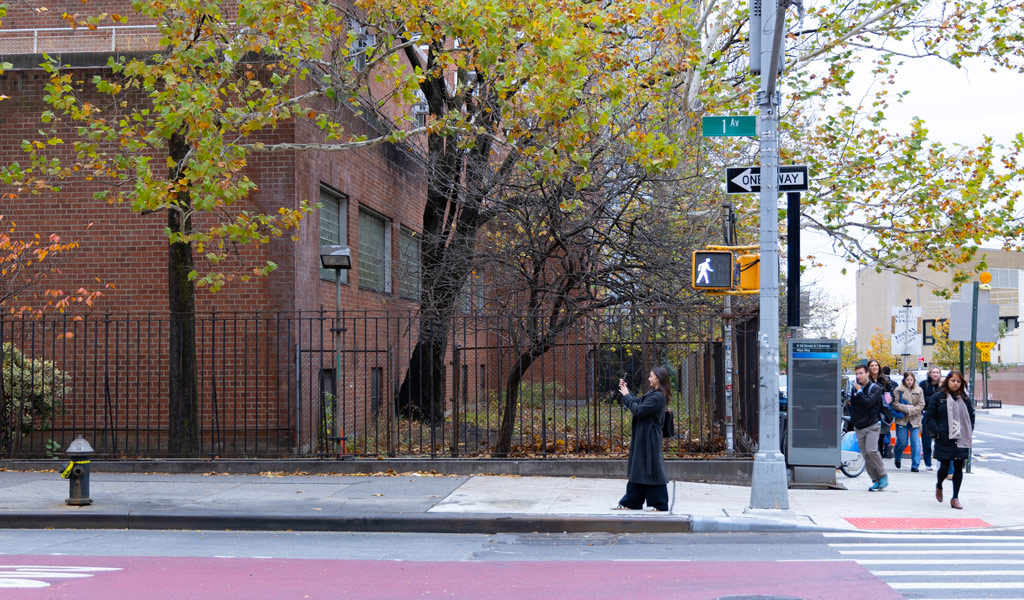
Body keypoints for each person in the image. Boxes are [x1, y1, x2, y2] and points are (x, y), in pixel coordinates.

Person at [613, 367, 670, 511]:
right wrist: (627, 391)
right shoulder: (653, 393)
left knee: (652, 468)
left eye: (651, 376)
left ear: (658, 378)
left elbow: (638, 410)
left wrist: (626, 396)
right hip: (644, 435)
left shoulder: (658, 397)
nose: (649, 379)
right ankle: (631, 502)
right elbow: (638, 403)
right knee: (640, 467)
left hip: (649, 438)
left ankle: (660, 503)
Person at [924, 370, 975, 509]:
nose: (955, 383)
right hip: (944, 437)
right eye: (953, 380)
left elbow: (971, 417)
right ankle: (939, 485)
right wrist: (938, 432)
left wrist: (969, 431)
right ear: (947, 381)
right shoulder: (938, 397)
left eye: (958, 381)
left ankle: (955, 497)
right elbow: (929, 417)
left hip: (961, 438)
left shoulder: (964, 399)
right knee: (945, 467)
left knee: (959, 467)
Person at [850, 363, 889, 491]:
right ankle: (875, 480)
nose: (859, 376)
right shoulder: (855, 389)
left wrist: (860, 392)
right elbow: (854, 406)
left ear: (867, 373)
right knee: (865, 455)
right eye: (857, 374)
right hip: (859, 426)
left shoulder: (875, 389)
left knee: (871, 450)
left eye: (861, 373)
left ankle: (883, 475)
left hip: (872, 424)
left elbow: (868, 403)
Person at [892, 371, 925, 471]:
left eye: (911, 380)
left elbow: (921, 404)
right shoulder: (898, 390)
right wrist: (906, 408)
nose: (909, 382)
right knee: (902, 442)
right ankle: (897, 456)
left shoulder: (919, 390)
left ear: (914, 380)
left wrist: (911, 410)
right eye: (907, 380)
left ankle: (915, 465)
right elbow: (895, 404)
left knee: (915, 442)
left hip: (914, 419)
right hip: (902, 419)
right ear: (904, 380)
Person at [868, 360, 895, 458]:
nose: (874, 367)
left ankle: (878, 455)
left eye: (876, 365)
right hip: (869, 411)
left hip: (882, 411)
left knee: (880, 435)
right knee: (871, 435)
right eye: (872, 366)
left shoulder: (884, 380)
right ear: (869, 368)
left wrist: (890, 399)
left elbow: (890, 394)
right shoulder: (866, 380)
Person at [919, 366, 943, 471]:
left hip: (940, 415)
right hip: (927, 414)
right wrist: (935, 398)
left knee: (940, 440)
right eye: (933, 372)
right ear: (929, 374)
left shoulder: (942, 384)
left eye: (937, 372)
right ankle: (928, 463)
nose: (935, 374)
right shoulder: (923, 384)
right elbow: (922, 399)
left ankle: (940, 461)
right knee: (927, 440)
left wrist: (932, 399)